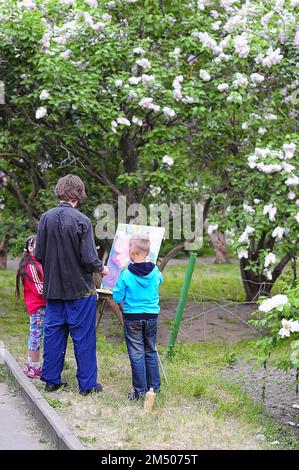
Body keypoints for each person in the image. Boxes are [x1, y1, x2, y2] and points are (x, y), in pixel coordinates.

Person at [35, 174, 109, 396]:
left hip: (53, 289)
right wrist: (102, 268)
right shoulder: (82, 220)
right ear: (79, 193)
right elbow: (88, 258)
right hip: (80, 291)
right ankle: (87, 386)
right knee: (83, 337)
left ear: (60, 191)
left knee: (53, 335)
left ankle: (50, 380)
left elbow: (38, 254)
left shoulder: (45, 218)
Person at [113, 235, 163, 400]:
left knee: (136, 353)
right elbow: (159, 281)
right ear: (147, 252)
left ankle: (139, 391)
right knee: (151, 350)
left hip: (133, 317)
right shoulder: (155, 271)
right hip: (151, 316)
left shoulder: (126, 273)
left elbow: (117, 297)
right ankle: (154, 387)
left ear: (131, 252)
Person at [16, 235, 46, 379]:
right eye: (34, 246)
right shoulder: (31, 266)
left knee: (36, 333)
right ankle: (35, 366)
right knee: (36, 335)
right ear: (29, 248)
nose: (38, 248)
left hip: (41, 305)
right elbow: (39, 289)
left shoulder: (38, 262)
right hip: (38, 305)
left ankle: (29, 364)